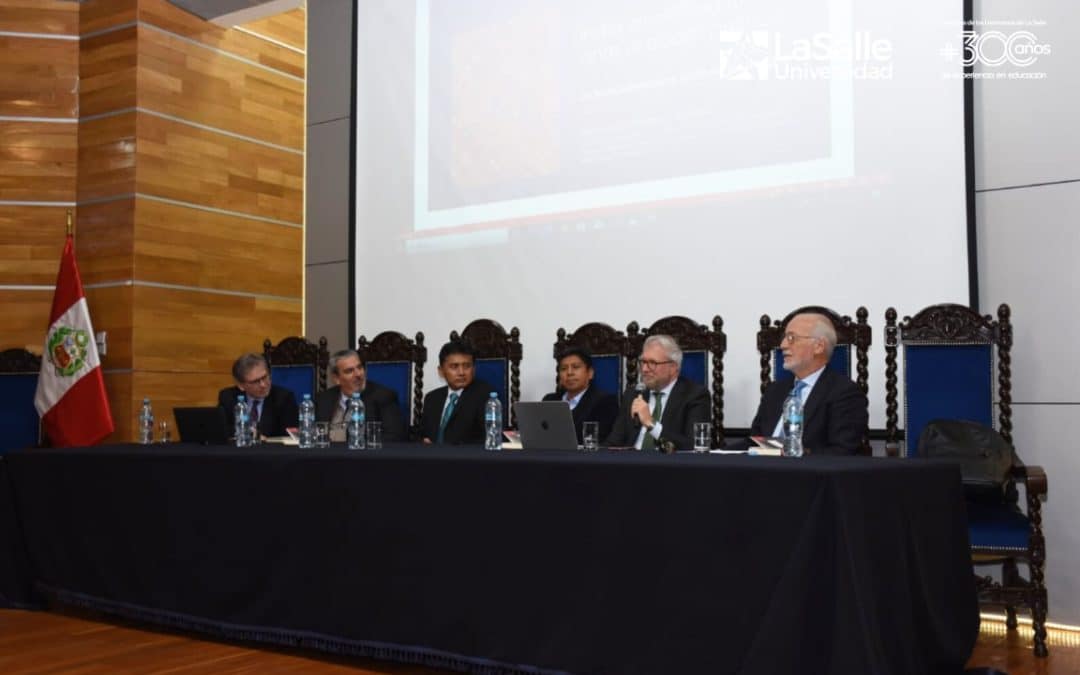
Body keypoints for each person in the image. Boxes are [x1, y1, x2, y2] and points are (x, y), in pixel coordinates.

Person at [749, 312, 868, 455]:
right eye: (784, 338)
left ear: (818, 346)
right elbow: (753, 443)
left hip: (809, 475)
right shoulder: (774, 391)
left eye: (791, 338)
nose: (782, 345)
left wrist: (792, 453)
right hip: (759, 470)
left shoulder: (845, 393)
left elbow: (841, 452)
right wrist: (716, 454)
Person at [605, 335, 710, 452]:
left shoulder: (694, 395)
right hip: (630, 463)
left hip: (668, 466)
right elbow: (614, 442)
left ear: (673, 367)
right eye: (643, 362)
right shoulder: (633, 394)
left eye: (652, 363)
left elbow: (694, 445)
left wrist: (651, 424)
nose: (644, 369)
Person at [315, 349, 406, 442]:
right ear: (336, 378)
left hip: (364, 455)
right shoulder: (322, 399)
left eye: (360, 367)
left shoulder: (384, 397)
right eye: (349, 371)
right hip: (325, 455)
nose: (358, 374)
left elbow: (394, 437)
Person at [420, 340, 496, 445]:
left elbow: (490, 438)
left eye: (467, 366)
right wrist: (423, 440)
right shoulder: (432, 398)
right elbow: (421, 434)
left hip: (465, 458)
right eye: (454, 366)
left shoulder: (484, 395)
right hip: (431, 457)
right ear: (441, 371)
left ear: (474, 369)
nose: (461, 372)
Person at [542, 346, 618, 443]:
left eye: (576, 367)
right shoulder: (549, 400)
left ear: (590, 373)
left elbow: (596, 440)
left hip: (583, 457)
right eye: (564, 368)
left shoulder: (605, 402)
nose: (569, 373)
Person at [218, 353, 298, 438]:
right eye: (255, 381)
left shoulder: (284, 398)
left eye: (264, 377)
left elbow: (289, 436)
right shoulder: (228, 397)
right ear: (241, 385)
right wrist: (247, 432)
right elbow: (220, 429)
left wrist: (259, 436)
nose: (263, 385)